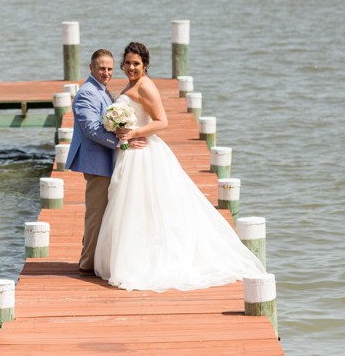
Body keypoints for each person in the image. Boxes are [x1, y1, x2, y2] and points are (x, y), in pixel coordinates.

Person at [94, 41, 266, 291]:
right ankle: (133, 254)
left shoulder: (146, 87)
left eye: (136, 64)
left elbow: (162, 122)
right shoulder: (132, 84)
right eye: (128, 63)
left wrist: (133, 133)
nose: (131, 67)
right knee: (131, 205)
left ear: (145, 65)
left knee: (143, 205)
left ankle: (146, 260)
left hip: (143, 153)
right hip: (131, 153)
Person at [64, 49, 147, 273]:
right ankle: (87, 263)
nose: (106, 72)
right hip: (96, 163)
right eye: (101, 68)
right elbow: (91, 129)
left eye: (110, 69)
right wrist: (123, 143)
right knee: (96, 214)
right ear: (91, 68)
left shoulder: (102, 91)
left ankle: (98, 259)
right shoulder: (87, 93)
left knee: (106, 213)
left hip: (107, 161)